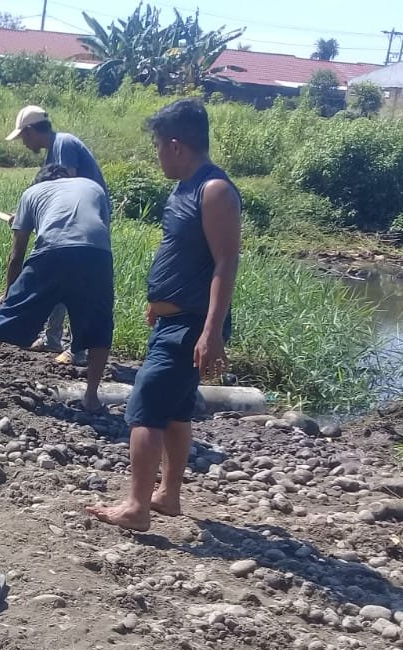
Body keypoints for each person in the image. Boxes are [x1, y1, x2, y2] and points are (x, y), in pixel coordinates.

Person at [88, 98, 240, 533]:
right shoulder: (184, 188)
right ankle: (168, 496)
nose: (156, 155)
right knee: (175, 410)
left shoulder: (214, 191)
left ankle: (136, 506)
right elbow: (183, 255)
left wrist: (211, 331)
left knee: (144, 408)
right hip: (175, 320)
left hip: (192, 324)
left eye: (157, 146)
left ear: (176, 145)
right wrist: (159, 304)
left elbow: (226, 263)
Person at [0, 164, 113, 414]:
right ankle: (91, 398)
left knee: (8, 314)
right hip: (97, 256)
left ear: (41, 181)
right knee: (99, 325)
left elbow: (17, 255)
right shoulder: (92, 187)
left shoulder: (32, 193)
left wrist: (8, 295)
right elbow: (89, 227)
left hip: (51, 253)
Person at [7, 105, 109, 367]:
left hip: (81, 227)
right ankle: (52, 338)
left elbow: (65, 189)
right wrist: (26, 218)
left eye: (23, 137)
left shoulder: (62, 143)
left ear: (30, 131)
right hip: (71, 223)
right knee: (59, 275)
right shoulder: (55, 150)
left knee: (74, 283)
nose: (23, 143)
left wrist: (34, 218)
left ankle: (79, 349)